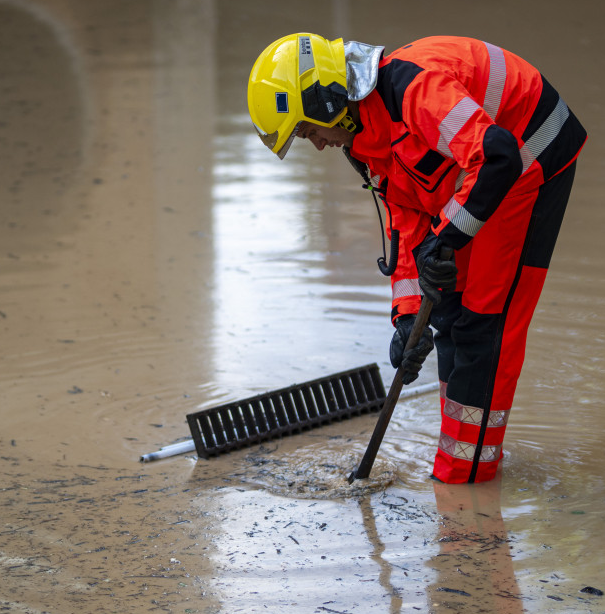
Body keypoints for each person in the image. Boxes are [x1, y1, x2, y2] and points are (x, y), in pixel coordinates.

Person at [246, 34, 586, 484]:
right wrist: (408, 320)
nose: (318, 145)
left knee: (484, 323)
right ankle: (458, 466)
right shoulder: (366, 137)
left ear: (325, 102)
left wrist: (445, 238)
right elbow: (407, 224)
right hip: (478, 173)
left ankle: (466, 483)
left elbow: (498, 157)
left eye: (309, 132)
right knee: (445, 312)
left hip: (528, 157)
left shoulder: (413, 91)